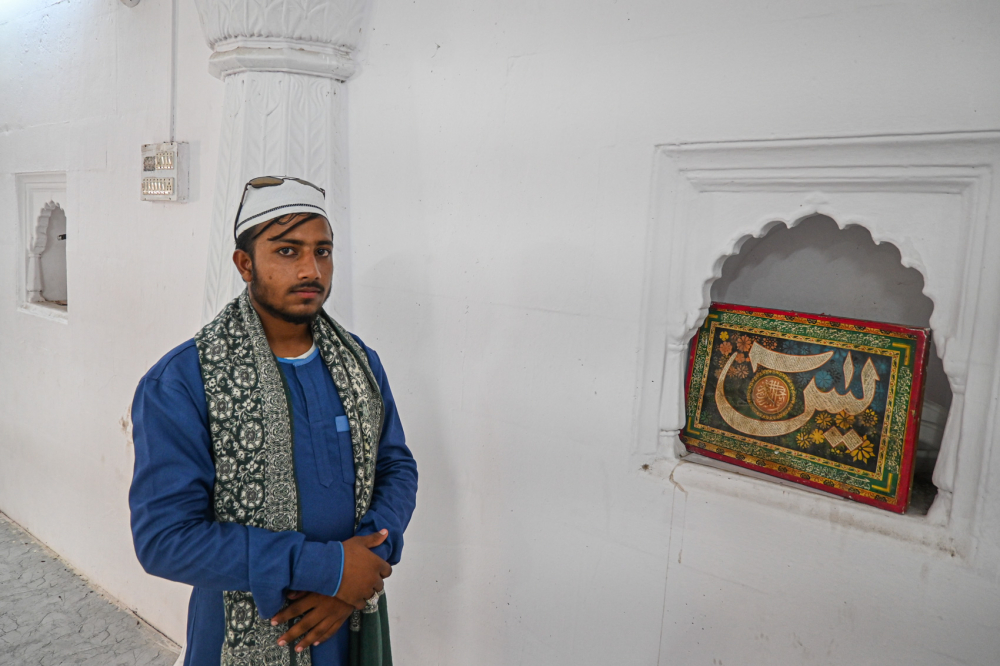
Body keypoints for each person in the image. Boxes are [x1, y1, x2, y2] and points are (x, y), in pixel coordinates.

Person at [129, 176, 418, 666]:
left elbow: (396, 467)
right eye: (287, 251)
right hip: (244, 629)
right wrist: (327, 569)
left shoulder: (361, 363)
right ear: (245, 264)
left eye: (323, 251)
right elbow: (165, 540)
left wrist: (361, 569)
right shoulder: (183, 381)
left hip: (351, 622)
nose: (311, 270)